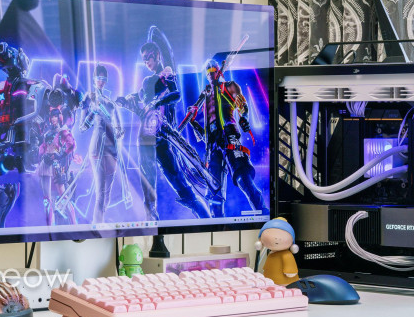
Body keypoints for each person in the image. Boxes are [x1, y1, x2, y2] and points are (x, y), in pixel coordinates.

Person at [117, 41, 211, 219]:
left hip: (162, 133)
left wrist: (158, 101)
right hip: (148, 133)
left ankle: (208, 220)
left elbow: (176, 94)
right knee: (148, 175)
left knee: (180, 183)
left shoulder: (165, 74)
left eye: (149, 57)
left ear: (157, 55)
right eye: (144, 60)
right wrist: (125, 101)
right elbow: (141, 105)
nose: (146, 62)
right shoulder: (147, 83)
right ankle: (151, 215)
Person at [179, 59, 267, 218]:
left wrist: (244, 118)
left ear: (218, 70)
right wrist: (192, 121)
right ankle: (216, 224)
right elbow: (205, 131)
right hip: (212, 144)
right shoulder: (205, 97)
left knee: (243, 178)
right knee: (214, 192)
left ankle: (263, 214)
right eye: (208, 72)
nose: (210, 73)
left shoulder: (229, 86)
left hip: (229, 136)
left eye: (213, 70)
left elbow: (242, 105)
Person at [80, 65, 124, 223]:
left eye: (104, 79)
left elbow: (118, 127)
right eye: (99, 78)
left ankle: (100, 222)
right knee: (100, 191)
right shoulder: (90, 97)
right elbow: (82, 127)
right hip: (97, 147)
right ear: (94, 79)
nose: (101, 81)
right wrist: (93, 112)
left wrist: (119, 131)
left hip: (112, 148)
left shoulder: (110, 102)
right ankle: (97, 226)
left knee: (107, 193)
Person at [37, 109, 80, 225]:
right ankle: (49, 228)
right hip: (45, 165)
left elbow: (72, 144)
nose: (53, 119)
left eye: (56, 116)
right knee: (47, 200)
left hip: (56, 165)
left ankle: (74, 225)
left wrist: (60, 155)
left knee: (64, 197)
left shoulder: (63, 132)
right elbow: (42, 148)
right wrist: (40, 157)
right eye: (52, 116)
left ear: (60, 118)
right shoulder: (47, 133)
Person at [255, 217, 299, 285]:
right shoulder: (271, 253)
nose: (276, 238)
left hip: (284, 283)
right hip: (270, 282)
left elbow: (291, 270)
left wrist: (290, 272)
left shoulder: (287, 255)